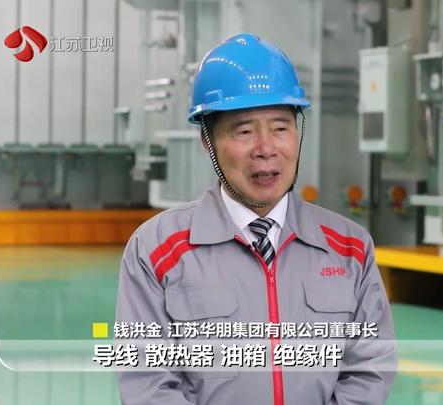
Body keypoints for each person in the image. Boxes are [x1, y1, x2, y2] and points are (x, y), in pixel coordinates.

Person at [115, 32, 397, 405]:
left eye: (280, 128)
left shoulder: (349, 247)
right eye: (244, 130)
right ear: (208, 141)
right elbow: (147, 383)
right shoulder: (156, 250)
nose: (266, 149)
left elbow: (369, 370)